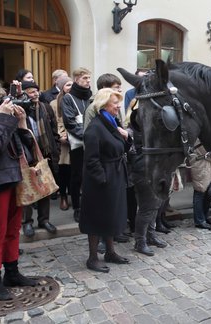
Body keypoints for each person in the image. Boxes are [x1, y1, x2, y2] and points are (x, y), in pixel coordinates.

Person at [0, 80, 38, 300]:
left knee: (13, 230)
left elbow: (26, 148)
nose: (2, 102)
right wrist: (5, 118)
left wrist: (22, 123)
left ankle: (12, 273)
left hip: (14, 178)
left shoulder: (2, 119)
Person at [79, 88, 131, 273]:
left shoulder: (112, 123)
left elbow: (120, 147)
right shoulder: (95, 128)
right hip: (100, 181)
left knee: (112, 215)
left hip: (114, 175)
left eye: (118, 102)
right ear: (103, 105)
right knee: (96, 218)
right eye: (114, 103)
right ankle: (93, 258)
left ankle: (110, 252)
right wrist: (103, 179)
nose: (118, 106)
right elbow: (91, 160)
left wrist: (127, 137)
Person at [126, 101, 168, 256]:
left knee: (155, 205)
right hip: (143, 172)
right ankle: (140, 241)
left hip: (155, 171)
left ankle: (150, 235)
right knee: (147, 208)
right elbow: (135, 155)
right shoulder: (135, 132)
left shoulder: (150, 131)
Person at [19, 81, 60, 237]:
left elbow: (54, 128)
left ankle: (44, 220)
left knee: (45, 188)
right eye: (30, 92)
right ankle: (27, 222)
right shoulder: (20, 110)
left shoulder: (45, 107)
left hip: (45, 153)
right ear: (23, 94)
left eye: (36, 91)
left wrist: (53, 147)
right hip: (27, 154)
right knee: (28, 188)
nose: (35, 94)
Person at [61, 67, 92, 223]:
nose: (88, 81)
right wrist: (88, 136)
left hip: (92, 142)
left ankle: (89, 205)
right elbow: (70, 122)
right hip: (79, 143)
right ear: (76, 79)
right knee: (77, 175)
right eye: (85, 78)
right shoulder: (68, 98)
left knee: (90, 175)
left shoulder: (91, 96)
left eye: (89, 78)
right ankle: (77, 208)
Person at [50, 76, 73, 211]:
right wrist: (61, 135)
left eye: (72, 84)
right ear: (62, 86)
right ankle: (63, 196)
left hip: (75, 139)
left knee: (74, 171)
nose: (70, 87)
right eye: (67, 85)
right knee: (63, 170)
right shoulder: (54, 103)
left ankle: (73, 196)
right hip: (62, 141)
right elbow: (54, 123)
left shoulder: (76, 100)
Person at [190, 142, 211, 230]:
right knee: (199, 192)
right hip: (201, 166)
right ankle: (199, 221)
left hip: (205, 166)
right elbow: (207, 153)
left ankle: (204, 217)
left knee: (206, 194)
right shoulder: (198, 138)